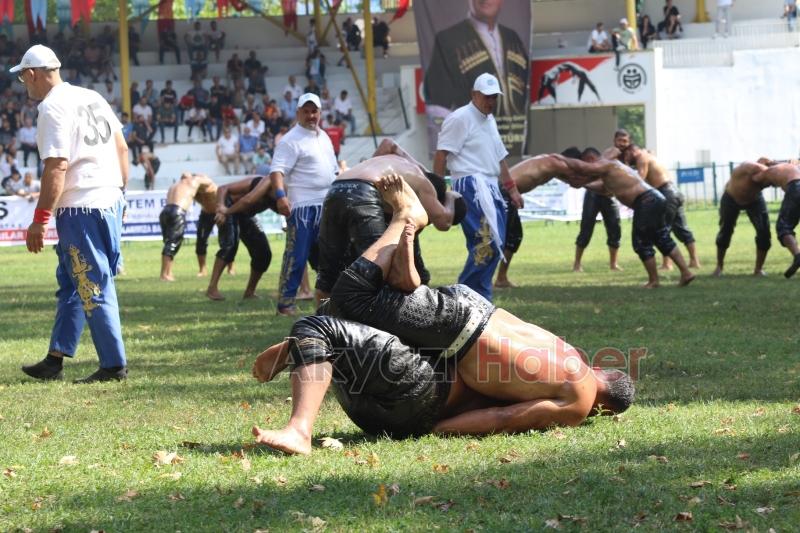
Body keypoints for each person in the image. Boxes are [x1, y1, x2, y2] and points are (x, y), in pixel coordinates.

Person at [251, 176, 634, 454]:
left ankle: (399, 281)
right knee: (353, 295)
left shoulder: (573, 354)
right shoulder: (581, 401)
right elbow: (506, 420)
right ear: (603, 408)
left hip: (475, 309)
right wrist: (442, 428)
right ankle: (408, 218)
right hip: (462, 329)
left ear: (602, 371)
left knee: (350, 307)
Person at [15, 45, 129, 383]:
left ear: (33, 74)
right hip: (108, 199)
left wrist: (40, 218)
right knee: (72, 281)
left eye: (24, 78)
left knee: (92, 283)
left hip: (81, 205)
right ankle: (56, 357)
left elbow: (57, 165)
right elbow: (121, 147)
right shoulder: (91, 96)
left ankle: (113, 365)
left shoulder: (51, 107)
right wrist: (120, 194)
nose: (25, 85)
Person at [315, 147, 467, 301]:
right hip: (365, 190)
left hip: (336, 188)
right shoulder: (425, 185)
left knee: (328, 273)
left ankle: (319, 319)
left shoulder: (407, 165)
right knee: (379, 269)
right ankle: (378, 317)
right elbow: (444, 221)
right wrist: (451, 197)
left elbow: (387, 143)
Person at [433, 73, 523, 301]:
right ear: (474, 94)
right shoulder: (460, 118)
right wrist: (438, 192)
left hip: (491, 186)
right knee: (486, 243)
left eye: (494, 97)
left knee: (494, 244)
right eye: (486, 97)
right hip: (471, 185)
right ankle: (462, 298)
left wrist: (511, 189)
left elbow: (499, 157)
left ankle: (477, 297)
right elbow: (442, 155)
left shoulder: (489, 120)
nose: (491, 102)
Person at [557, 148, 695, 288]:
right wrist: (584, 184)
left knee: (641, 242)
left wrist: (559, 165)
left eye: (586, 163)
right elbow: (605, 191)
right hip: (654, 199)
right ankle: (686, 273)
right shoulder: (610, 171)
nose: (585, 168)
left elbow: (586, 168)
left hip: (646, 201)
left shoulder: (606, 164)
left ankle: (654, 281)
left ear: (591, 160)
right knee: (661, 237)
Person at [269, 93, 338, 315]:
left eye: (314, 111)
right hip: (302, 207)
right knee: (296, 257)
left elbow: (334, 170)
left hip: (325, 205)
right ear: (298, 112)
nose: (311, 115)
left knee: (326, 257)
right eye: (306, 111)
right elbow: (276, 171)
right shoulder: (290, 140)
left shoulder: (324, 137)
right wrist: (280, 196)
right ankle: (285, 303)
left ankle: (330, 299)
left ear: (320, 112)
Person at [424, 0, 530, 142]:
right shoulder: (447, 40)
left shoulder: (512, 38)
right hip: (472, 141)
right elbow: (437, 105)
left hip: (513, 138)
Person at [626, 145, 700, 270]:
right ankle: (694, 261)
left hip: (666, 194)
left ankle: (668, 264)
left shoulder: (641, 158)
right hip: (674, 192)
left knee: (663, 229)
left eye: (626, 154)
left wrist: (626, 171)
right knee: (682, 228)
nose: (626, 157)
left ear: (632, 151)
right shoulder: (649, 157)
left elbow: (640, 180)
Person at [206, 176, 277, 300]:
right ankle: (212, 288)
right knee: (230, 246)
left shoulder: (282, 194)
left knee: (264, 253)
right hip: (228, 207)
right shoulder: (257, 182)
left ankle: (249, 292)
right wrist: (221, 209)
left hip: (246, 215)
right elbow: (223, 188)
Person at [712, 160, 772, 277]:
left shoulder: (767, 176)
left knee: (764, 231)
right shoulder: (747, 167)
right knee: (726, 230)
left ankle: (758, 269)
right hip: (731, 198)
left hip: (754, 200)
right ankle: (719, 266)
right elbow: (754, 167)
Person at [159, 173, 217, 281]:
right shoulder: (193, 181)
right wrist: (200, 177)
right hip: (177, 212)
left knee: (168, 242)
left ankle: (168, 272)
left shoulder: (174, 185)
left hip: (165, 212)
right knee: (172, 244)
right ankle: (165, 275)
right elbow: (208, 181)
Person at [751, 161, 800, 278]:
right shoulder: (791, 167)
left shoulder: (768, 171)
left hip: (796, 188)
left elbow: (755, 179)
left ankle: (798, 256)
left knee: (783, 227)